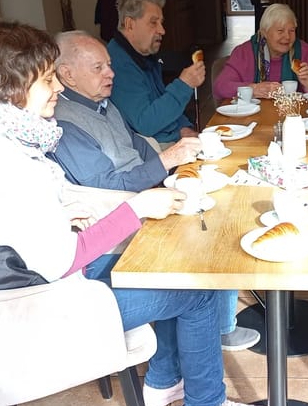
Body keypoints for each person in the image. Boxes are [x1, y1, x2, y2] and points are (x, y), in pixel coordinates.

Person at [0, 20, 267, 406]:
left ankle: (164, 380)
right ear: (13, 86)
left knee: (166, 266)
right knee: (199, 290)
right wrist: (134, 209)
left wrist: (90, 211)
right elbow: (61, 259)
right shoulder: (5, 161)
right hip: (41, 308)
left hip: (28, 289)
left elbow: (44, 216)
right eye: (46, 80)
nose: (57, 88)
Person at [52, 30, 261, 352]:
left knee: (219, 204)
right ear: (67, 74)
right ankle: (216, 328)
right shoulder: (65, 123)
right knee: (213, 231)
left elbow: (137, 143)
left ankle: (215, 330)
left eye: (109, 65)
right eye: (99, 68)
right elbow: (106, 186)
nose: (111, 73)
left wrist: (171, 170)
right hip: (120, 214)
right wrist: (167, 163)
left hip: (146, 195)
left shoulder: (102, 104)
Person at [107, 0, 202, 147]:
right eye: (153, 23)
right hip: (147, 151)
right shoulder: (116, 64)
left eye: (161, 23)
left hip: (167, 139)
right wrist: (184, 85)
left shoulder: (144, 55)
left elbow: (161, 100)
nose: (162, 30)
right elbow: (145, 124)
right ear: (130, 24)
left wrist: (183, 127)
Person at [212, 3, 308, 100]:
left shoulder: (304, 51)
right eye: (280, 31)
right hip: (252, 120)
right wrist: (253, 89)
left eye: (291, 31)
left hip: (294, 118)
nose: (287, 37)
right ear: (264, 33)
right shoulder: (244, 53)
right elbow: (220, 87)